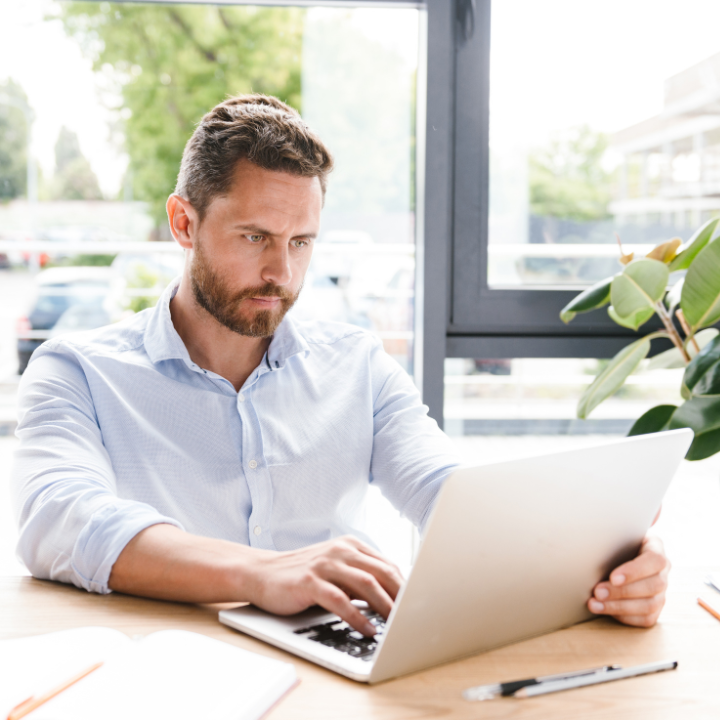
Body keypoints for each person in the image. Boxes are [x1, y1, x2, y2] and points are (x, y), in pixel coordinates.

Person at [12, 94, 669, 637]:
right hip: (169, 675)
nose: (282, 272)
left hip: (335, 671)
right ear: (184, 223)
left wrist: (609, 563)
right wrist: (258, 572)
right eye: (254, 238)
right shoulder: (77, 371)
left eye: (302, 242)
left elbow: (452, 495)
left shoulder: (356, 365)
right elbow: (59, 518)